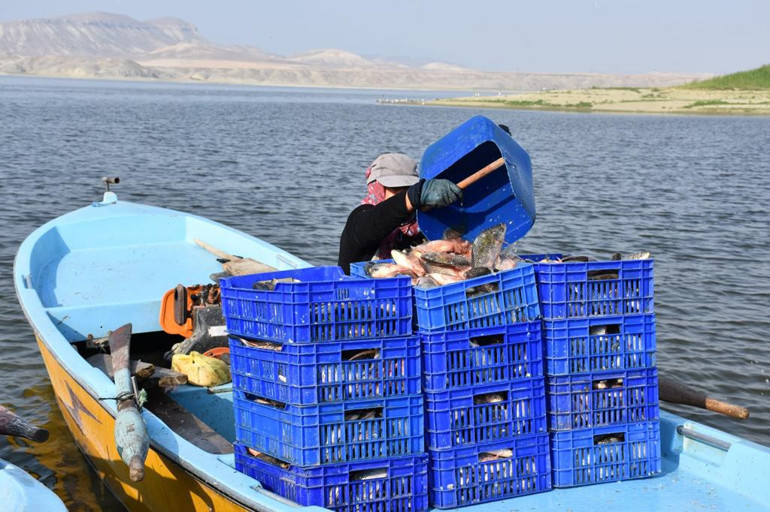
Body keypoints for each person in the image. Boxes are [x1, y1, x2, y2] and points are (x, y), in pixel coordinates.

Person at [337, 153, 462, 274]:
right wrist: (411, 197)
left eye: (407, 188)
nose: (401, 193)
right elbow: (376, 221)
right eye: (395, 188)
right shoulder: (360, 219)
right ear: (377, 188)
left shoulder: (419, 224)